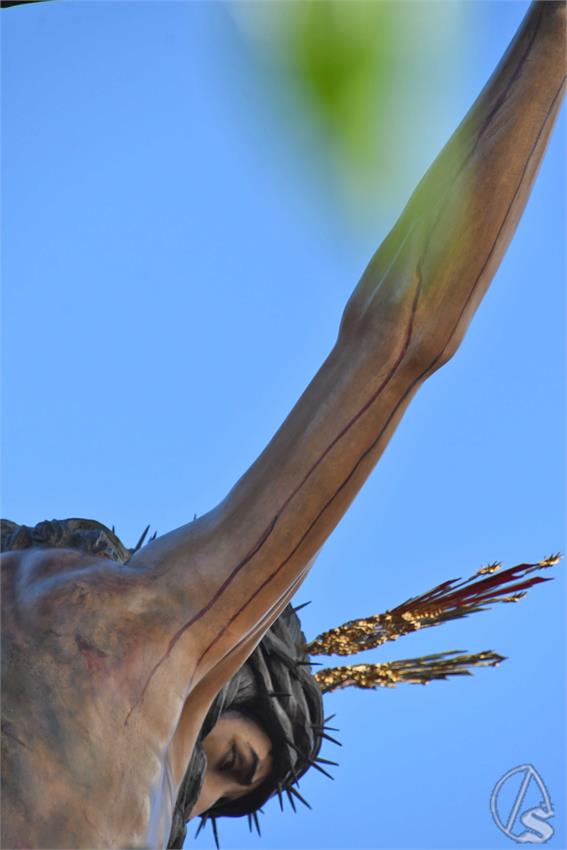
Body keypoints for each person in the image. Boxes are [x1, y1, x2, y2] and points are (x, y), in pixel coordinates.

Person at [1, 3, 565, 848]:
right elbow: (402, 339)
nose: (200, 804)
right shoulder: (161, 645)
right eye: (233, 764)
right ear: (229, 671)